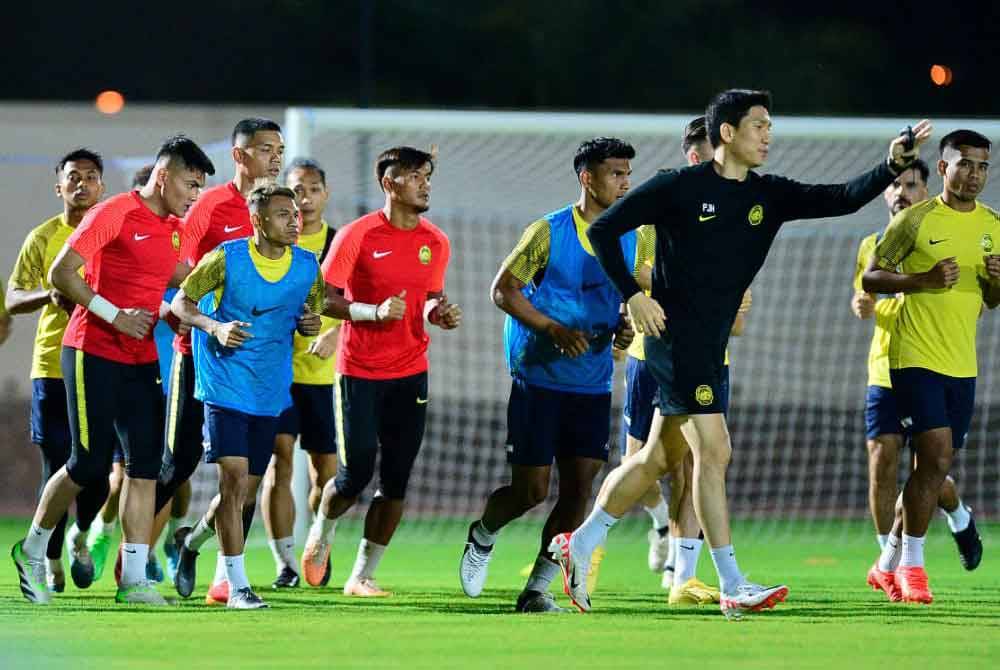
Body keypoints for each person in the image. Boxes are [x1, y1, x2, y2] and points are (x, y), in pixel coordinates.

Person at [556, 89, 930, 619]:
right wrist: (634, 295)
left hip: (711, 345)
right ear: (726, 134)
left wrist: (890, 165)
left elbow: (841, 197)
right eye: (758, 126)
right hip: (675, 339)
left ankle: (583, 540)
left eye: (769, 126)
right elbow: (601, 228)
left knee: (660, 457)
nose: (767, 136)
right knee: (716, 451)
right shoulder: (676, 187)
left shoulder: (768, 195)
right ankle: (732, 582)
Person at [10, 135, 215, 605]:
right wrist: (114, 313)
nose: (193, 195)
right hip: (90, 350)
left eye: (200, 187)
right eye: (190, 184)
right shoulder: (115, 211)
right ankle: (34, 551)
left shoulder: (176, 228)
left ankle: (135, 579)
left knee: (145, 468)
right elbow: (63, 272)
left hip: (141, 359)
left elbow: (183, 278)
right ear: (162, 177)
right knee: (88, 464)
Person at [459, 138, 636, 613]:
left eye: (627, 173)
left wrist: (624, 326)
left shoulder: (635, 233)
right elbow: (503, 291)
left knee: (579, 488)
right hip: (538, 378)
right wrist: (553, 328)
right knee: (531, 490)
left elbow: (629, 296)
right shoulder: (548, 231)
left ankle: (536, 589)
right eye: (615, 173)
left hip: (593, 382)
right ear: (587, 178)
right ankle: (483, 533)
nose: (624, 182)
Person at [300, 146, 461, 597]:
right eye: (415, 177)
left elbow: (429, 297)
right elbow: (323, 297)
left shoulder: (436, 241)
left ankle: (362, 576)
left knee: (396, 479)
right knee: (354, 475)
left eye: (427, 176)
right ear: (390, 184)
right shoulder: (357, 235)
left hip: (411, 372)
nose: (425, 184)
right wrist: (370, 311)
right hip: (359, 371)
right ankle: (323, 532)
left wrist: (438, 312)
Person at [171, 184, 324, 609]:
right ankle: (236, 586)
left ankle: (192, 542)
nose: (294, 221)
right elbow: (180, 304)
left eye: (295, 214)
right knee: (234, 481)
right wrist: (214, 327)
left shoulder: (308, 266)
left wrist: (310, 325)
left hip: (269, 389)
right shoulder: (226, 257)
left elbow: (309, 311)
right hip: (223, 384)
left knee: (242, 491)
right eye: (282, 214)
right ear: (257, 221)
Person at [862, 129, 995, 604]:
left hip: (962, 361)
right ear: (943, 168)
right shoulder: (915, 219)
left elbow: (991, 299)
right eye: (965, 164)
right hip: (914, 355)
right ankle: (913, 569)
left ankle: (885, 565)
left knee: (933, 468)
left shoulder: (993, 225)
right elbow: (872, 275)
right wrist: (923, 279)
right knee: (934, 456)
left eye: (982, 165)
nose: (974, 174)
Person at [167, 118, 285, 605]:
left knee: (247, 479)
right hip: (207, 359)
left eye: (280, 149)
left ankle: (205, 554)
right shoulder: (210, 206)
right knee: (181, 465)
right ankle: (137, 562)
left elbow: (299, 287)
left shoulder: (283, 213)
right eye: (265, 149)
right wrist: (209, 325)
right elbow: (179, 276)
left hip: (261, 369)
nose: (275, 158)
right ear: (239, 156)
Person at [6, 148, 112, 592]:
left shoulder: (112, 235)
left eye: (90, 176)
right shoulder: (42, 237)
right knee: (58, 465)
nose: (81, 184)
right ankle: (48, 562)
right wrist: (48, 296)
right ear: (59, 187)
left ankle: (81, 536)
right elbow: (12, 299)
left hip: (103, 360)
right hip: (52, 363)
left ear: (102, 186)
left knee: (99, 469)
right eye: (73, 177)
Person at [262, 158, 341, 589]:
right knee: (279, 458)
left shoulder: (340, 243)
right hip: (277, 373)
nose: (305, 198)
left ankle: (318, 542)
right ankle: (285, 562)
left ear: (325, 194)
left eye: (313, 188)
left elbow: (360, 305)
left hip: (326, 378)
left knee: (325, 472)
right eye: (297, 190)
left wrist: (337, 336)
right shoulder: (271, 243)